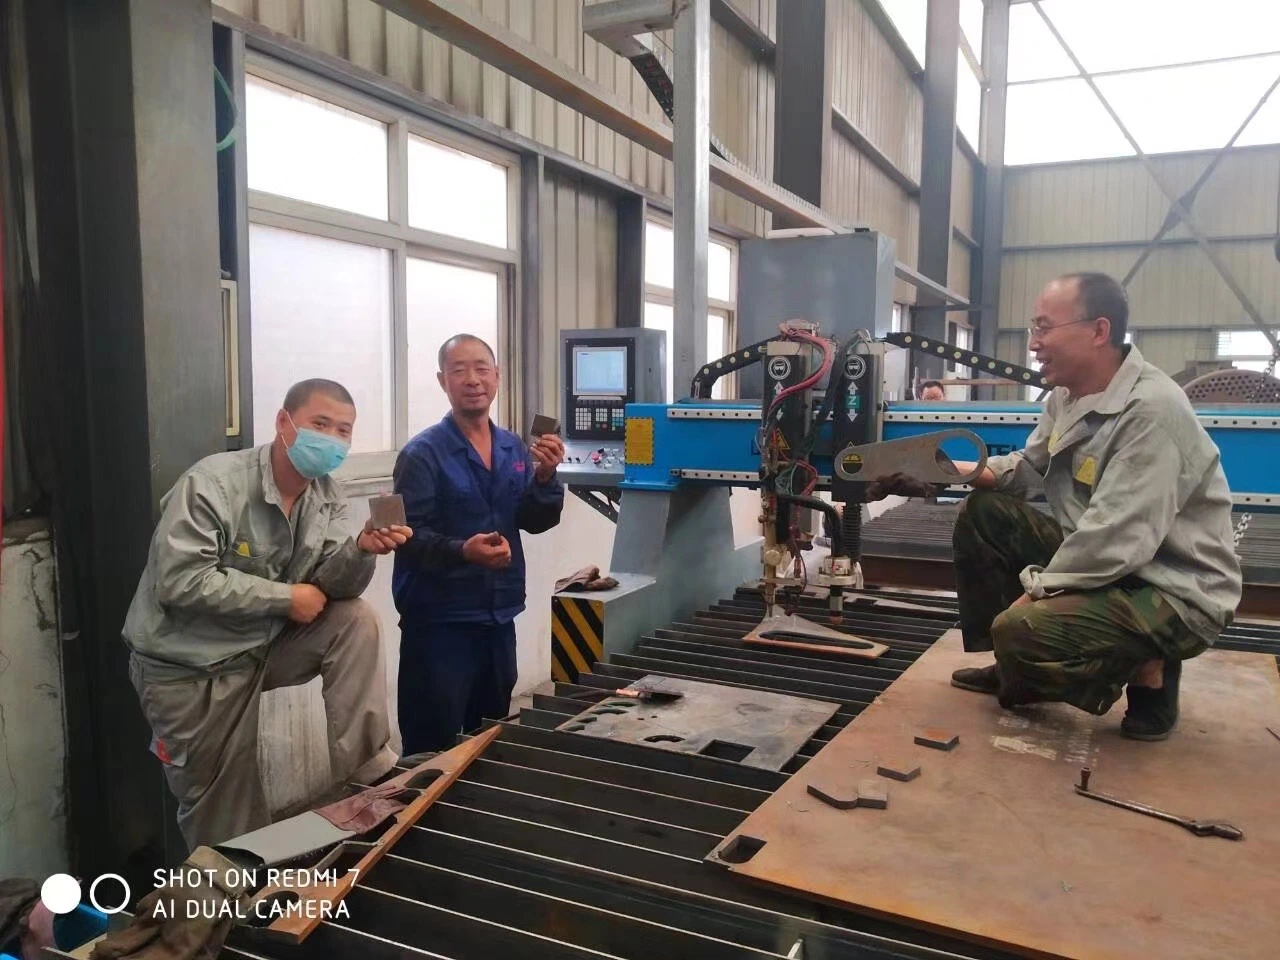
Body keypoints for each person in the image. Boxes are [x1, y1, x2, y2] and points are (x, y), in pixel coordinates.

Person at [947, 273, 1241, 740]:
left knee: (1021, 630)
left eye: (1044, 328)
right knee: (984, 514)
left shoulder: (1151, 411)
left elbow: (1114, 537)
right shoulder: (1068, 394)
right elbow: (1028, 467)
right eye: (1032, 330)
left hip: (1172, 587)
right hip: (1113, 559)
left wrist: (1033, 597)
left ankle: (1150, 673)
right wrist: (945, 470)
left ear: (1098, 331)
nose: (1034, 344)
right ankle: (1012, 668)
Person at [123, 379, 413, 848]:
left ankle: (367, 774)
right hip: (193, 670)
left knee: (355, 620)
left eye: (344, 431)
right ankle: (226, 913)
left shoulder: (327, 495)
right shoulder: (213, 484)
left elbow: (333, 588)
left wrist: (361, 549)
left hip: (262, 647)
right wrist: (284, 598)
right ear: (284, 422)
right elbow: (179, 582)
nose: (332, 440)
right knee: (230, 820)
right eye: (321, 424)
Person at [393, 334, 565, 753]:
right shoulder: (422, 455)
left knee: (487, 740)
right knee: (433, 747)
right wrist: (462, 551)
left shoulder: (514, 449)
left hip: (497, 619)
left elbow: (534, 521)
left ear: (497, 377)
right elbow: (406, 538)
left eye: (481, 368)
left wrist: (544, 479)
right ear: (442, 381)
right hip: (439, 625)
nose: (472, 379)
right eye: (459, 370)